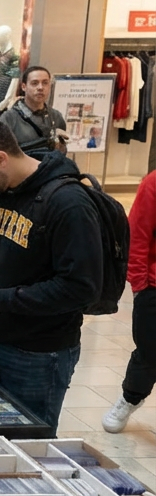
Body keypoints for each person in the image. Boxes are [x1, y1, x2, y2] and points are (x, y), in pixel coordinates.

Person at [0, 116, 102, 427]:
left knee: (26, 446)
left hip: (37, 354)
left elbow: (81, 287)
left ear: (0, 158)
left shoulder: (68, 203)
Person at [102, 168, 156, 432]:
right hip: (153, 288)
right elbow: (138, 235)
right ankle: (130, 398)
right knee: (148, 351)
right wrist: (140, 285)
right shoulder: (153, 184)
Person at [1, 65, 67, 155]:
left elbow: (61, 154)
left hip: (49, 167)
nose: (40, 88)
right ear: (24, 87)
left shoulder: (56, 117)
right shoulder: (9, 118)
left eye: (45, 83)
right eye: (34, 83)